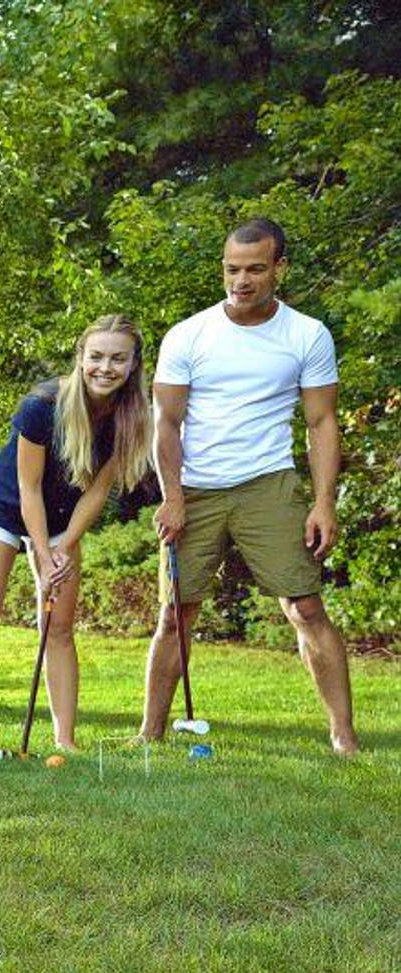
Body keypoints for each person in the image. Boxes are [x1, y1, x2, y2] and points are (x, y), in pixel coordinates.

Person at [138, 217, 359, 754]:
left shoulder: (306, 335)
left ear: (279, 268)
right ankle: (150, 734)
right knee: (175, 614)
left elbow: (321, 423)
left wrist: (325, 502)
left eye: (255, 269)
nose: (242, 281)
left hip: (269, 483)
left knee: (305, 607)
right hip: (196, 489)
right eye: (233, 270)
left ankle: (344, 736)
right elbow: (164, 422)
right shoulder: (189, 335)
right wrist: (172, 497)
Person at [0, 315, 153, 758]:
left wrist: (64, 546)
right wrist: (42, 551)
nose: (105, 367)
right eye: (95, 356)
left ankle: (65, 740)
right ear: (80, 358)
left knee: (57, 627)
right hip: (4, 507)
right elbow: (28, 487)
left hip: (65, 517)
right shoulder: (43, 404)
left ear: (133, 365)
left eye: (118, 358)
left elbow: (98, 490)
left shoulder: (132, 417)